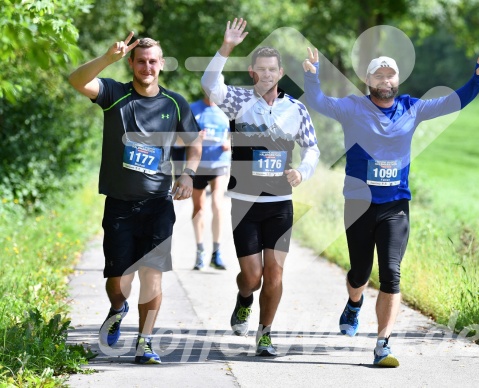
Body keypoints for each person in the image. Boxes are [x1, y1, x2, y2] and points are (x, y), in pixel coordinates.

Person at [303, 47, 479, 367]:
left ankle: (383, 344)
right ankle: (354, 302)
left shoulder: (411, 108)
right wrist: (312, 76)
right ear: (368, 80)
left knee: (391, 273)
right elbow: (319, 102)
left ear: (398, 79)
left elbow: (452, 102)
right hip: (360, 203)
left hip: (396, 204)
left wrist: (477, 79)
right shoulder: (352, 107)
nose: (385, 79)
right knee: (360, 273)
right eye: (379, 74)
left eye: (390, 74)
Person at [68, 32, 202, 364]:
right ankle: (117, 307)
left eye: (153, 61)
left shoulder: (175, 103)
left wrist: (188, 174)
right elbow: (76, 80)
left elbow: (195, 142)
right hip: (119, 204)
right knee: (118, 282)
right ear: (131, 63)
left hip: (158, 203)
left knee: (152, 274)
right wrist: (105, 58)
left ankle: (145, 342)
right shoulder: (113, 93)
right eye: (141, 61)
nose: (147, 66)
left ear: (161, 64)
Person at [201, 18, 320, 356]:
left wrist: (303, 171)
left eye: (273, 69)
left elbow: (312, 147)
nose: (267, 74)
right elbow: (210, 83)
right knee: (252, 277)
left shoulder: (295, 109)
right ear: (252, 72)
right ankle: (244, 299)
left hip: (281, 203)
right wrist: (226, 48)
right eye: (261, 69)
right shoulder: (239, 101)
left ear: (280, 72)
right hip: (245, 203)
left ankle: (265, 334)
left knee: (275, 271)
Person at [171, 93, 231, 270]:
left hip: (219, 162)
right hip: (197, 166)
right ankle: (200, 251)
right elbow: (178, 140)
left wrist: (229, 142)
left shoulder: (226, 110)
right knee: (199, 208)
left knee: (218, 205)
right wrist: (195, 138)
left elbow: (234, 133)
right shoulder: (192, 109)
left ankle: (217, 252)